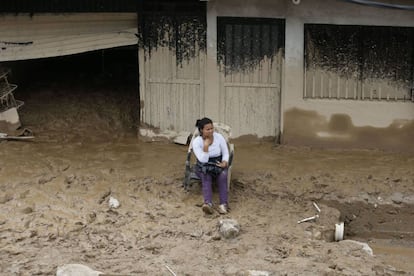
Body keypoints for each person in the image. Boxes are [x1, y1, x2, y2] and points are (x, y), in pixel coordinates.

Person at [192, 117, 229, 215]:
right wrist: (206, 146)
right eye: (207, 129)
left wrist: (225, 161)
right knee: (206, 176)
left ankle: (223, 204)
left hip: (217, 164)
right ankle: (208, 204)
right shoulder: (197, 142)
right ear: (201, 130)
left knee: (223, 175)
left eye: (212, 128)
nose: (211, 131)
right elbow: (203, 160)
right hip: (203, 166)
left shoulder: (219, 137)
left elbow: (225, 152)